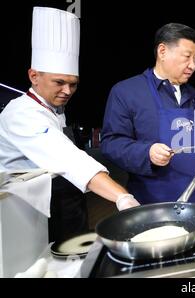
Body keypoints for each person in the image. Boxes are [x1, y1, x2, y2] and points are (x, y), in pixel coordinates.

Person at [0, 7, 140, 242]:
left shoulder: (54, 110)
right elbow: (68, 158)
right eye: (59, 82)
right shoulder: (21, 113)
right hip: (24, 213)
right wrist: (121, 197)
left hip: (65, 202)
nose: (67, 91)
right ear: (34, 76)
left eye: (73, 84)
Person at [101, 23, 195, 209]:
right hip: (154, 204)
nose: (193, 65)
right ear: (162, 51)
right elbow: (111, 143)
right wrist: (146, 153)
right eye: (187, 57)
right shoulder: (126, 92)